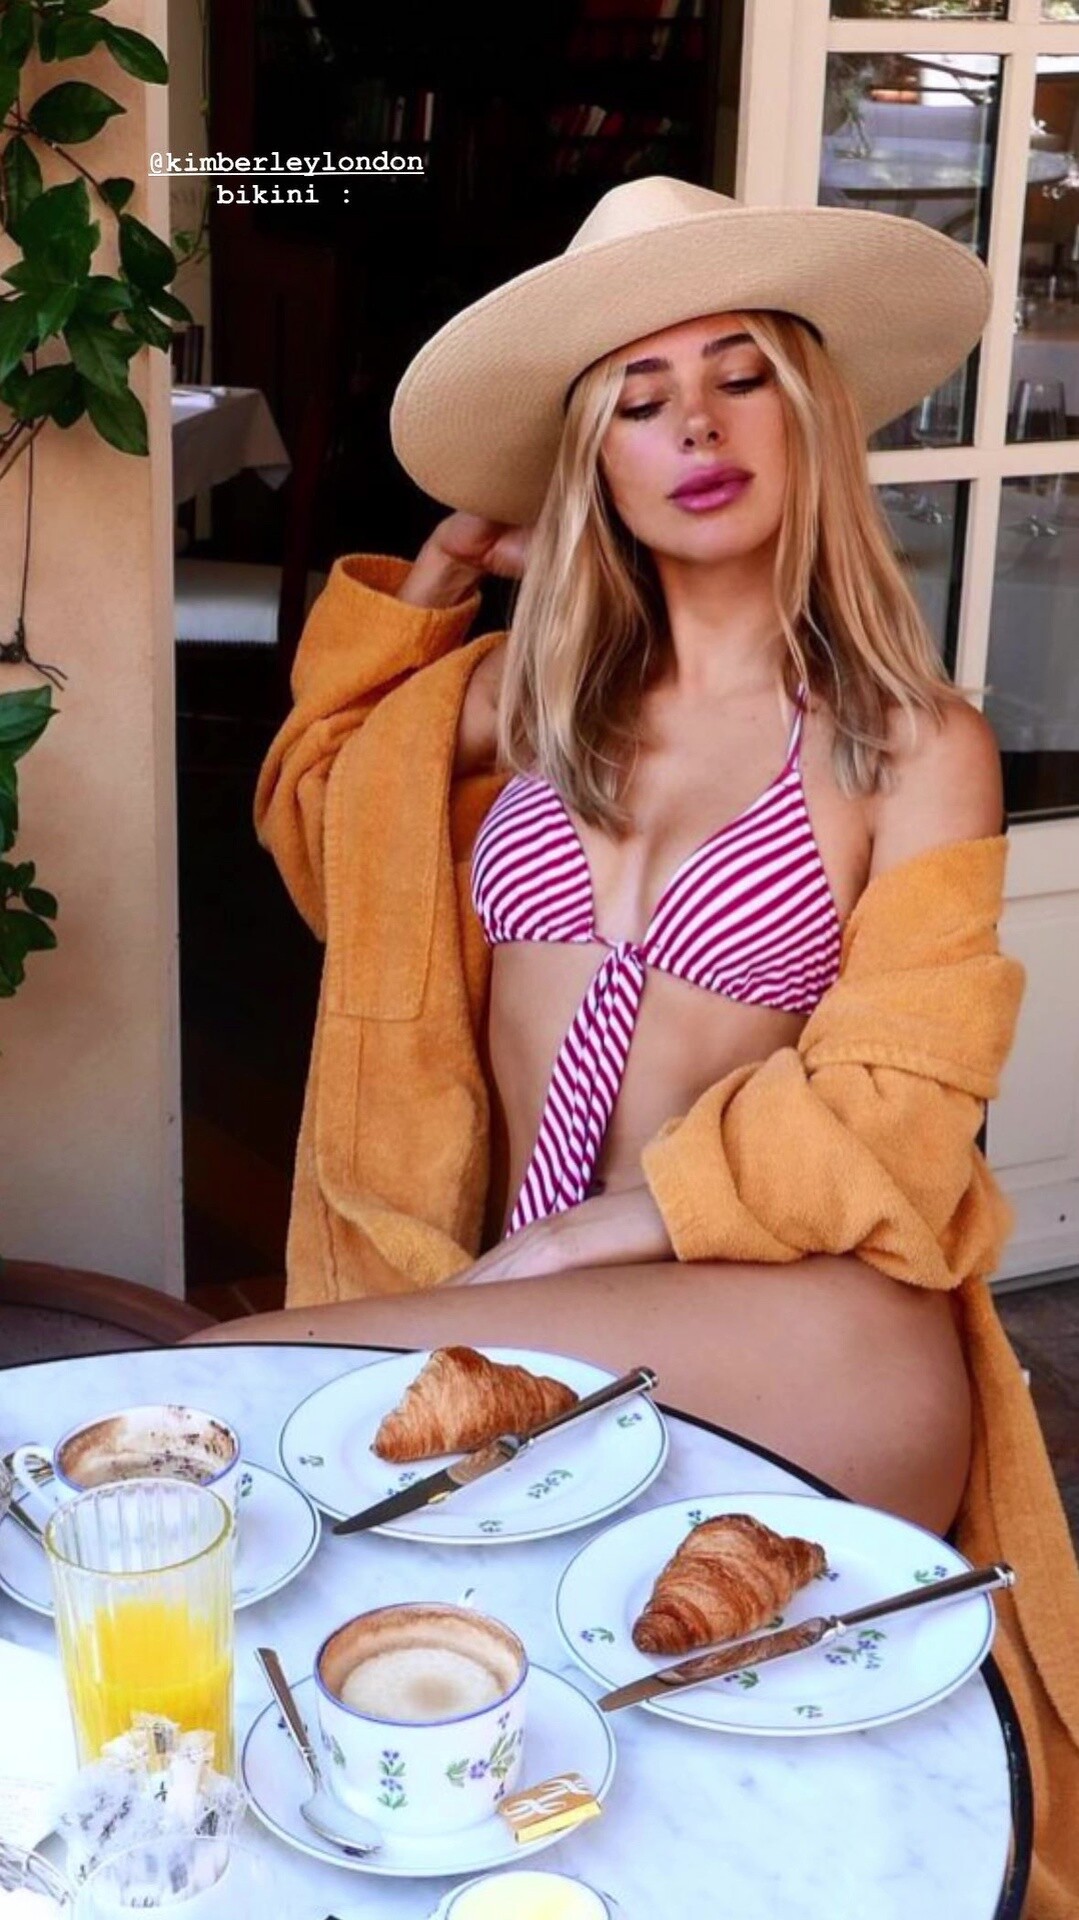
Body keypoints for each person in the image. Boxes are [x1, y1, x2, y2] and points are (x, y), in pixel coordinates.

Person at [190, 180, 1079, 1913]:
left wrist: (572, 1244)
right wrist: (439, 581)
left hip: (799, 1323)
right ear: (590, 458)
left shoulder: (907, 742)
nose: (698, 427)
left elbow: (902, 1100)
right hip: (526, 1311)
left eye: (742, 376)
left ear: (808, 413)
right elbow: (323, 831)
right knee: (515, 1746)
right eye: (640, 400)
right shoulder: (529, 700)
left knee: (232, 1388)